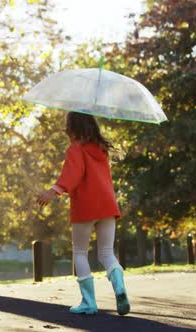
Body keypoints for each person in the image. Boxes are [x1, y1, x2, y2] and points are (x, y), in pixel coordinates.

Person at [36, 111, 130, 316]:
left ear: (73, 128)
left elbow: (73, 175)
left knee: (80, 252)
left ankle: (89, 303)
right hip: (107, 206)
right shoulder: (101, 148)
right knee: (106, 253)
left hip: (86, 206)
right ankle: (119, 286)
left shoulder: (75, 149)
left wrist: (53, 191)